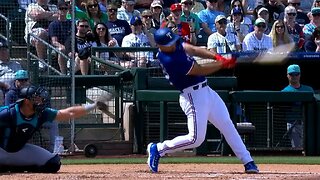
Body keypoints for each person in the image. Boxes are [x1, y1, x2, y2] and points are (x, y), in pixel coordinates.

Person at [147, 27, 259, 174]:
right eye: (170, 44)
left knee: (227, 125)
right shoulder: (169, 60)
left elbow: (192, 49)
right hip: (192, 96)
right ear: (160, 46)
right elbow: (198, 69)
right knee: (195, 139)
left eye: (173, 41)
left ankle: (248, 161)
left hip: (206, 91)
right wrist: (222, 64)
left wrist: (217, 57)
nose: (174, 44)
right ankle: (158, 149)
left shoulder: (174, 46)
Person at [0, 85, 106, 173]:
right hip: (1, 151)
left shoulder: (42, 114)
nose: (41, 101)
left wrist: (93, 106)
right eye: (36, 98)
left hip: (18, 150)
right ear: (27, 101)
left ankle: (10, 168)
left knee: (53, 163)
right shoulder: (7, 113)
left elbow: (69, 113)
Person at [4, 70, 60, 153]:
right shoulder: (11, 93)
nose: (23, 82)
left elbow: (46, 106)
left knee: (53, 123)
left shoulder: (34, 91)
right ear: (16, 81)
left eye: (25, 80)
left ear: (28, 80)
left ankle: (55, 150)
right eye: (20, 80)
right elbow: (8, 111)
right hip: (17, 121)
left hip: (35, 118)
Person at [281, 64, 314, 148]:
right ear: (287, 75)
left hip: (308, 124)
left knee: (310, 147)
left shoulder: (308, 89)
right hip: (293, 123)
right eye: (292, 74)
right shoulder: (285, 91)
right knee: (297, 148)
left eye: (296, 74)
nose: (294, 76)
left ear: (300, 75)